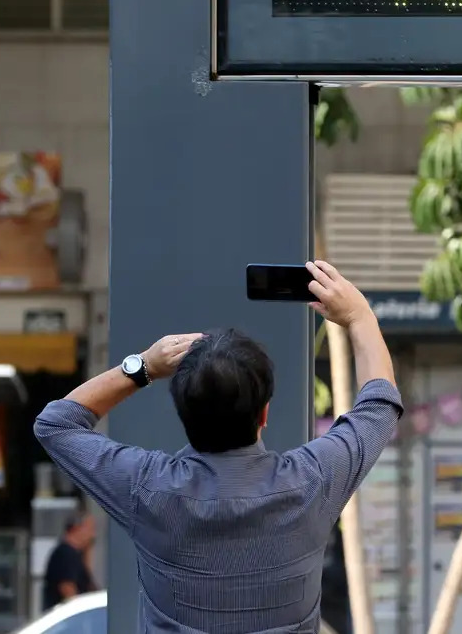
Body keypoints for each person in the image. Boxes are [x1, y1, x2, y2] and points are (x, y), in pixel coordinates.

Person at [34, 261, 400, 634]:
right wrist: (359, 316)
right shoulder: (313, 481)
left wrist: (143, 367)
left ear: (184, 414)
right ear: (265, 413)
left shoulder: (147, 488)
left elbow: (56, 423)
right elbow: (380, 404)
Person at [40, 507, 98, 611]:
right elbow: (68, 589)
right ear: (76, 528)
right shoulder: (66, 554)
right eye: (90, 529)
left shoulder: (75, 555)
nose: (93, 535)